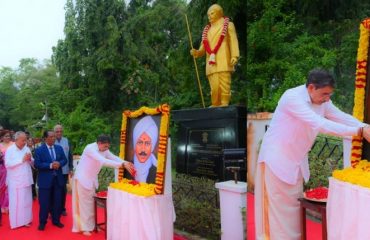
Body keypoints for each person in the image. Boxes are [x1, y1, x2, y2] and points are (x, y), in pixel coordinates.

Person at [254, 69, 370, 240]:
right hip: (276, 160)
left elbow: (340, 116)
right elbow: (320, 124)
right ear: (311, 88)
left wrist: (365, 126)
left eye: (330, 94)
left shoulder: (323, 101)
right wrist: (359, 131)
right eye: (325, 94)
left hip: (296, 162)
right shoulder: (292, 98)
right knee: (277, 214)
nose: (327, 98)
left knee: (294, 209)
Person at [72, 134, 135, 236]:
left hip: (91, 179)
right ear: (99, 143)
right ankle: (84, 228)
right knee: (84, 205)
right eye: (105, 146)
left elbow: (113, 157)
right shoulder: (90, 148)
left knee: (91, 204)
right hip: (82, 179)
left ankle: (91, 226)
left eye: (108, 146)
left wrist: (125, 162)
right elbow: (103, 161)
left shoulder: (104, 150)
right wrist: (121, 165)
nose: (107, 149)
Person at [190, 4, 239, 107]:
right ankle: (215, 104)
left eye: (212, 13)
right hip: (211, 63)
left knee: (225, 85)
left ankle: (224, 104)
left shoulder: (228, 25)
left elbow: (233, 41)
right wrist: (197, 52)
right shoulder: (206, 30)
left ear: (219, 12)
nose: (209, 16)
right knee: (214, 87)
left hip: (224, 59)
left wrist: (234, 56)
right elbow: (203, 47)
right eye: (208, 15)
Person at [34, 130, 67, 231]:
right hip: (45, 181)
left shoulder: (59, 148)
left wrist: (59, 163)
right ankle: (42, 222)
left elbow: (64, 160)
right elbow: (37, 164)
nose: (53, 138)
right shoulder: (39, 150)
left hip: (58, 180)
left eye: (54, 137)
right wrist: (50, 165)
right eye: (51, 137)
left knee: (57, 202)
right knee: (44, 203)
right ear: (45, 138)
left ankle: (56, 220)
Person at [5, 131, 33, 229]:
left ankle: (26, 220)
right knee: (16, 203)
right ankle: (16, 223)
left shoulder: (27, 148)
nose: (25, 142)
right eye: (23, 140)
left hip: (27, 179)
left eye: (25, 140)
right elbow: (7, 164)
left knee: (27, 201)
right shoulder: (10, 150)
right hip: (15, 181)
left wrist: (30, 159)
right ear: (16, 140)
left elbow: (32, 163)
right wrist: (22, 160)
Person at [54, 124, 73, 216]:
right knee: (53, 190)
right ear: (54, 132)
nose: (59, 133)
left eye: (61, 131)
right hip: (53, 171)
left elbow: (70, 155)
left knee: (63, 190)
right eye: (57, 131)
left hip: (64, 170)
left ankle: (62, 209)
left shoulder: (66, 140)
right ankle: (53, 210)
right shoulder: (51, 140)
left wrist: (71, 168)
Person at [132, 116, 158, 183]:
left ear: (152, 147)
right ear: (135, 144)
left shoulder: (158, 171)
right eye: (140, 142)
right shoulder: (127, 166)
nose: (143, 149)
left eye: (147, 143)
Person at [0, 130, 14, 214]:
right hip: (2, 169)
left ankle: (9, 206)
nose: (7, 137)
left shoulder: (13, 145)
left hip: (12, 169)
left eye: (8, 136)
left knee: (10, 187)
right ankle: (2, 205)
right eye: (5, 136)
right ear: (2, 137)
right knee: (2, 187)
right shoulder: (0, 145)